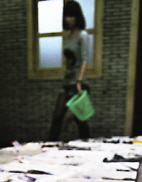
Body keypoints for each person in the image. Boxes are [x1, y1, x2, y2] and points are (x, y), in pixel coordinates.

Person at [48, 0, 90, 142]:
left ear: (78, 17)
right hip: (67, 82)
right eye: (66, 16)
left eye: (72, 16)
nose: (69, 19)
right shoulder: (68, 35)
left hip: (78, 83)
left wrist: (79, 82)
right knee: (57, 116)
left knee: (79, 118)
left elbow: (84, 60)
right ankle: (50, 145)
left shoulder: (83, 35)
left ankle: (86, 143)